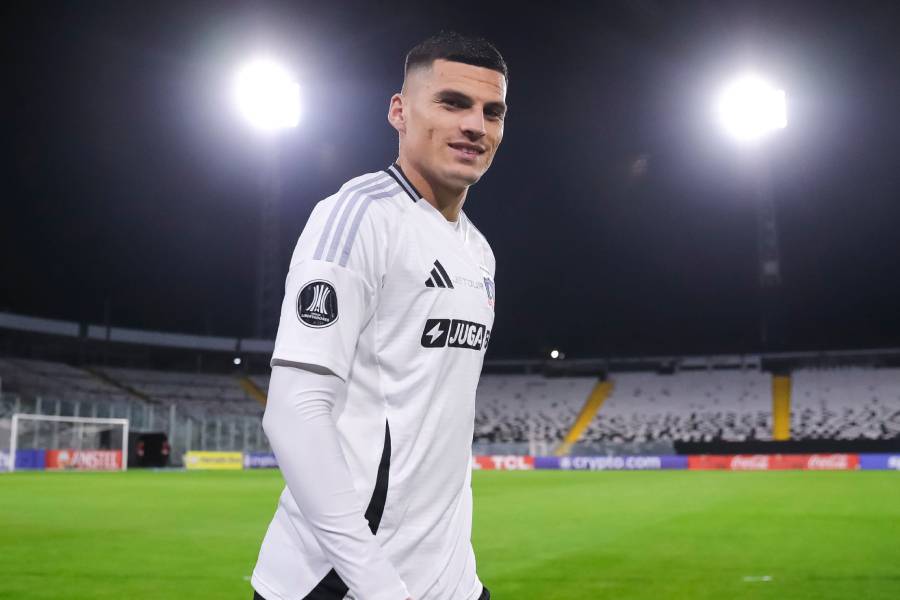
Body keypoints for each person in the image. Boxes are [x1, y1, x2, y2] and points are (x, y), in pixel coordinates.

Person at [250, 31, 507, 600]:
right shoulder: (357, 217)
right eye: (453, 102)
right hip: (344, 585)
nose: (476, 125)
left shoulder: (479, 252)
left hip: (450, 583)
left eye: (492, 112)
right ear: (399, 111)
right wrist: (379, 587)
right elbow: (294, 412)